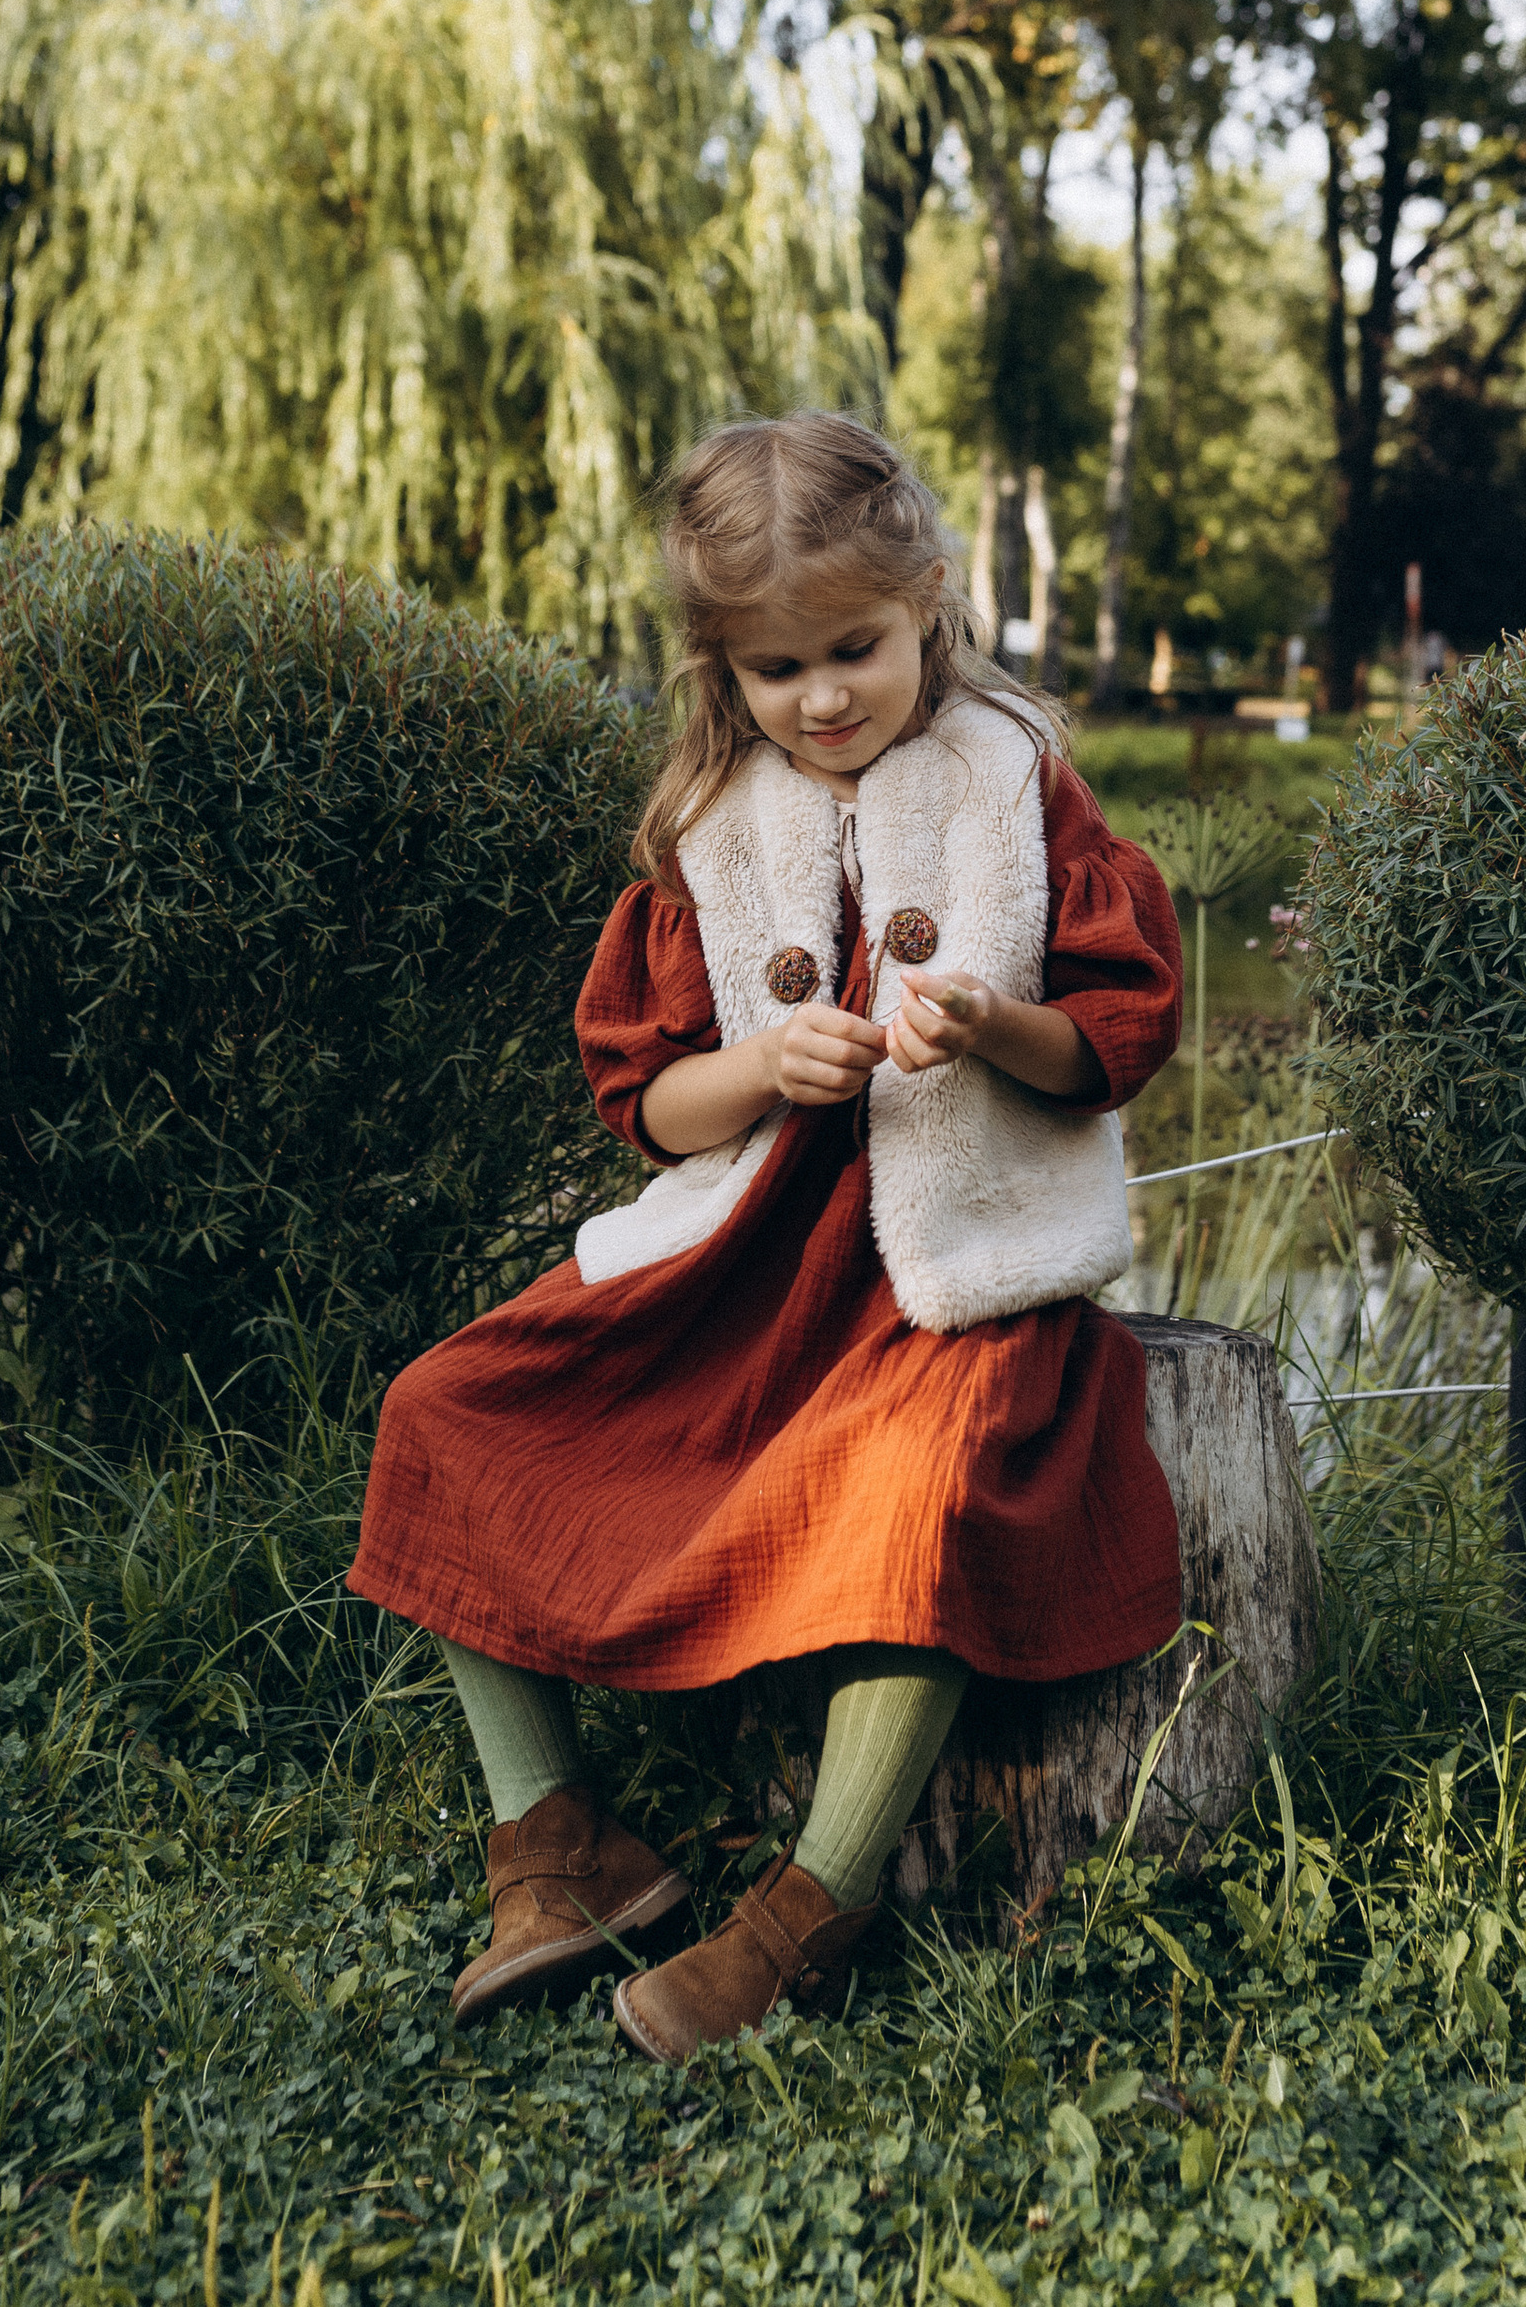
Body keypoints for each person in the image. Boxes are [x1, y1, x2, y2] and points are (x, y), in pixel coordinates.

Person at [348, 411, 1184, 2062]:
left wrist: (995, 1024)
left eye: (855, 649)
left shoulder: (1018, 780)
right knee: (442, 1412)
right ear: (718, 666)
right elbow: (644, 1096)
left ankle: (813, 1902)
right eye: (773, 667)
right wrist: (760, 1066)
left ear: (930, 599)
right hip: (748, 1257)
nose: (821, 698)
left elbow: (1121, 1027)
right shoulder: (715, 823)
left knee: (916, 1500)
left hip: (947, 1270)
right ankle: (560, 1838)